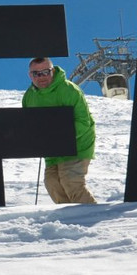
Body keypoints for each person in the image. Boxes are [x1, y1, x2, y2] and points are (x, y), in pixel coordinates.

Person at [22, 57, 97, 204]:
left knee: (70, 180)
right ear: (30, 75)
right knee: (52, 183)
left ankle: (93, 214)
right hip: (52, 149)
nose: (41, 77)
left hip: (77, 144)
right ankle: (71, 218)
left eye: (45, 72)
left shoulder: (69, 90)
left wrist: (59, 138)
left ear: (53, 71)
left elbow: (83, 122)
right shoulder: (30, 97)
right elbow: (29, 124)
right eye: (36, 73)